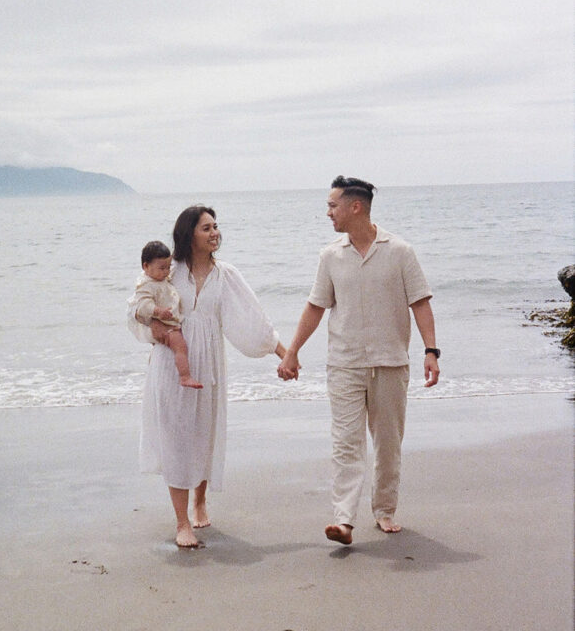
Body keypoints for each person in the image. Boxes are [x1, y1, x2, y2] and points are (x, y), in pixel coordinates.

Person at [278, 176, 440, 546]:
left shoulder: (400, 251)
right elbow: (316, 306)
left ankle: (384, 511)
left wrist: (431, 351)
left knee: (387, 442)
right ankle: (344, 520)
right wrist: (292, 350)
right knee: (346, 443)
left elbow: (420, 302)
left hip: (390, 362)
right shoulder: (330, 256)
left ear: (356, 207)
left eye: (333, 205)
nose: (328, 212)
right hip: (345, 364)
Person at [130, 205, 288, 548]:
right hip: (172, 362)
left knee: (203, 433)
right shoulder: (168, 273)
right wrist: (155, 325)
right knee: (175, 437)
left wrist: (284, 354)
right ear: (190, 234)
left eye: (216, 226)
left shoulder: (226, 275)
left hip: (210, 362)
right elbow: (137, 305)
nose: (215, 232)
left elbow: (252, 319)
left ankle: (200, 499)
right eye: (206, 228)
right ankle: (181, 520)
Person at [129, 240, 202, 389]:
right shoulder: (146, 285)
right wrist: (158, 311)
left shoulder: (162, 279)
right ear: (146, 266)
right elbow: (142, 306)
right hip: (165, 326)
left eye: (168, 267)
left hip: (172, 323)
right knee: (180, 347)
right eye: (162, 268)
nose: (166, 272)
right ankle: (185, 376)